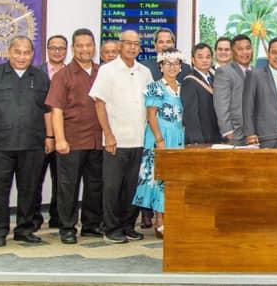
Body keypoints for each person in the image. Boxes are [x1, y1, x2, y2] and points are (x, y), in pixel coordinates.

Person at [0, 36, 52, 246]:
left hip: (32, 143)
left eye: (26, 52)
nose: (21, 56)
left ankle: (25, 229)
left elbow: (48, 111)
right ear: (9, 52)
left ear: (32, 54)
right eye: (17, 52)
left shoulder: (41, 77)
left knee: (29, 189)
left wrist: (50, 136)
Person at [90, 29, 153, 244]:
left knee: (133, 187)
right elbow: (99, 103)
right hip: (115, 139)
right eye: (128, 43)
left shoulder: (145, 72)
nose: (132, 47)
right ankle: (111, 228)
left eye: (136, 43)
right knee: (112, 187)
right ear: (120, 45)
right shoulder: (108, 71)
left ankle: (128, 225)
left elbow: (151, 105)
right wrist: (108, 134)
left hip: (139, 139)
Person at [46, 28, 103, 245]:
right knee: (68, 186)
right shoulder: (63, 75)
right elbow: (56, 110)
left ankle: (90, 224)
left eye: (88, 45)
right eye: (80, 45)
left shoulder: (102, 71)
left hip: (98, 140)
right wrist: (59, 139)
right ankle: (67, 227)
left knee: (95, 184)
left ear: (94, 47)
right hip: (72, 140)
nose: (85, 49)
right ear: (73, 48)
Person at [133, 50, 186, 238]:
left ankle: (171, 218)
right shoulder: (155, 87)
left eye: (175, 63)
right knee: (159, 179)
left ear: (180, 67)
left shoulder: (182, 87)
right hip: (160, 137)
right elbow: (151, 116)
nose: (172, 67)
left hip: (178, 137)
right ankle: (159, 221)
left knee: (173, 180)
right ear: (161, 66)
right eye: (167, 63)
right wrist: (159, 140)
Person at [33, 33, 67, 232]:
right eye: (53, 48)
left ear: (66, 50)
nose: (57, 51)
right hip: (40, 136)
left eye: (61, 48)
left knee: (62, 180)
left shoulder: (71, 72)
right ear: (46, 49)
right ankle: (35, 218)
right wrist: (47, 135)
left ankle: (58, 217)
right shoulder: (36, 73)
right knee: (35, 179)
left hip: (64, 135)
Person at [243, 37, 277, 148]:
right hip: (264, 137)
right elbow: (247, 107)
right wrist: (250, 134)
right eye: (274, 52)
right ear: (268, 54)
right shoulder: (255, 75)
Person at [213, 34, 252, 145]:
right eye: (240, 49)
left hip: (255, 135)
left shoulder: (256, 72)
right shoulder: (224, 72)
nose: (245, 52)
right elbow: (221, 104)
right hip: (236, 134)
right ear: (233, 52)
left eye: (248, 48)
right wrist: (228, 131)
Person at [181, 43, 221, 145]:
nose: (204, 60)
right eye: (200, 57)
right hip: (202, 138)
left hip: (216, 136)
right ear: (193, 60)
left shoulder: (215, 78)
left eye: (208, 57)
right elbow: (190, 116)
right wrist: (197, 142)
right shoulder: (189, 81)